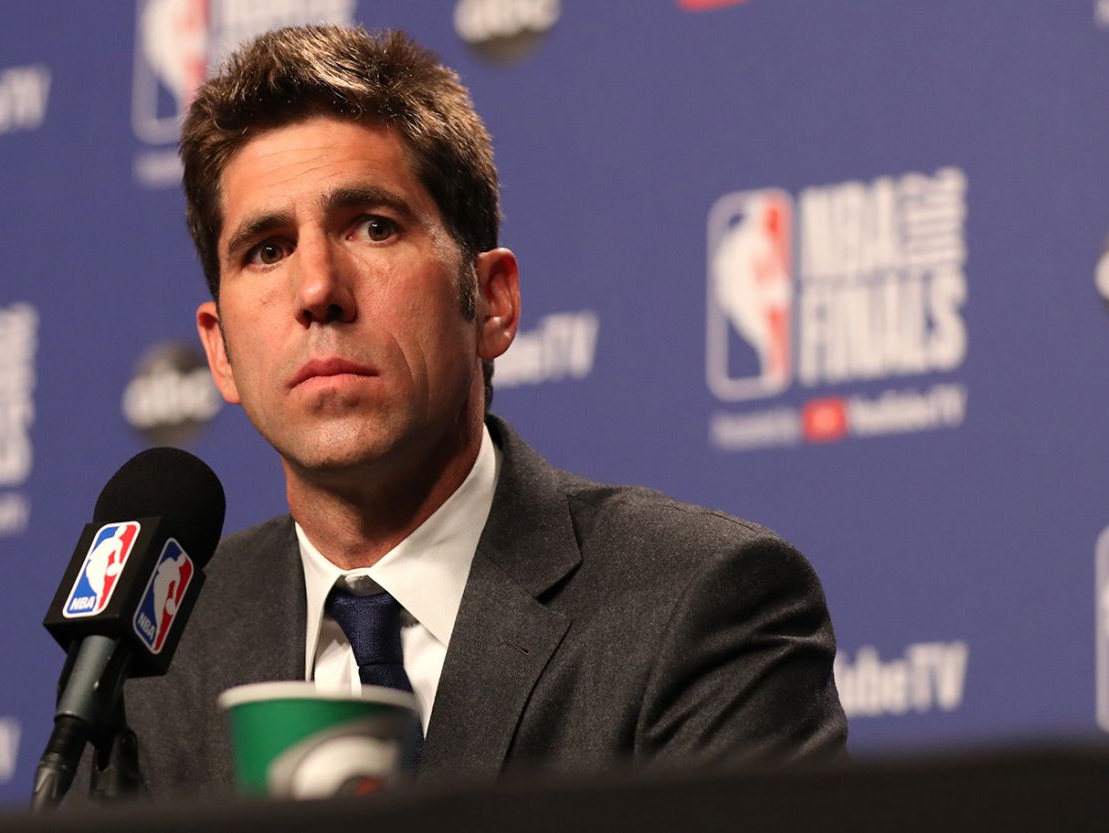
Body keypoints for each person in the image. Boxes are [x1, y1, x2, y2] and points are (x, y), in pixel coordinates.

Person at [108, 24, 847, 799]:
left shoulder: (701, 604)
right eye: (266, 248)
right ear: (220, 349)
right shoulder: (160, 647)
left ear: (492, 301)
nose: (317, 289)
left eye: (373, 226)